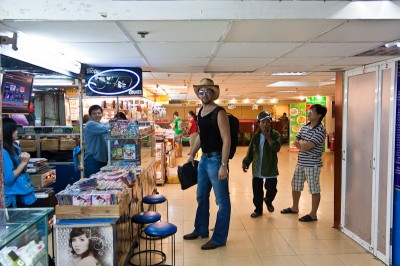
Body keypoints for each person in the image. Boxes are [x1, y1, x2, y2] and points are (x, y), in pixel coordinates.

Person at [184, 78, 231, 250]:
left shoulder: (219, 113)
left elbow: (227, 140)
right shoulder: (200, 111)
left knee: (222, 201)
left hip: (217, 160)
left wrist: (224, 164)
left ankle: (218, 238)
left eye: (207, 92)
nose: (204, 95)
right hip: (204, 160)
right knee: (201, 196)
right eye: (201, 92)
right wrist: (192, 153)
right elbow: (201, 136)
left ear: (213, 94)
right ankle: (201, 229)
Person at [280, 104, 327, 222]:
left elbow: (306, 146)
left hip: (313, 164)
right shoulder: (305, 127)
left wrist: (301, 144)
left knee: (314, 188)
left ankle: (313, 214)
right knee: (295, 185)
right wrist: (301, 143)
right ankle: (294, 207)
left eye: (312, 111)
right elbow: (295, 140)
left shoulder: (321, 130)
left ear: (319, 115)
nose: (309, 113)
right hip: (301, 162)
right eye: (309, 111)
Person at [242, 111, 281, 218]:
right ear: (259, 123)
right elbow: (251, 151)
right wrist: (246, 162)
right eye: (262, 122)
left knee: (272, 189)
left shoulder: (275, 134)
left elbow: (276, 148)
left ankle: (268, 200)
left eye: (267, 122)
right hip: (257, 168)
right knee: (257, 192)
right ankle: (258, 210)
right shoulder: (256, 136)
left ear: (270, 123)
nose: (265, 124)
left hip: (270, 168)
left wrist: (268, 137)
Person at [3, 117, 37, 208]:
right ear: (7, 132)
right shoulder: (4, 152)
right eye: (14, 130)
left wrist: (24, 163)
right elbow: (8, 179)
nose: (17, 132)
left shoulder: (15, 148)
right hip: (13, 198)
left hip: (23, 194)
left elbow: (22, 171)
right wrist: (23, 163)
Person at [84, 105, 110, 178]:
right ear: (90, 115)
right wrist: (115, 123)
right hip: (93, 159)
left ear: (102, 114)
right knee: (93, 184)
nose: (97, 115)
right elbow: (105, 128)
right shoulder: (90, 124)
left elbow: (105, 125)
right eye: (94, 114)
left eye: (99, 113)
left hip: (101, 159)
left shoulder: (100, 124)